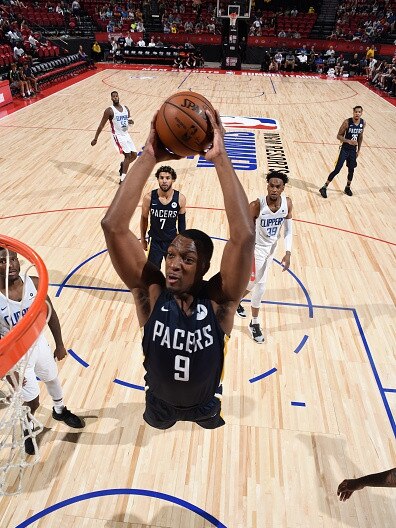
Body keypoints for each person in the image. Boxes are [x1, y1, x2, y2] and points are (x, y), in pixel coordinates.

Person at [101, 109, 254, 430]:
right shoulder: (152, 295)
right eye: (171, 254)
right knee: (157, 426)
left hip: (205, 404)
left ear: (204, 268)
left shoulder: (220, 302)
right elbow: (113, 226)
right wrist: (147, 157)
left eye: (186, 258)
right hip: (158, 403)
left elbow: (244, 235)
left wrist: (221, 158)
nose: (173, 264)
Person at [0, 248, 85, 455]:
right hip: (15, 355)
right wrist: (6, 370)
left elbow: (51, 312)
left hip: (38, 343)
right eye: (3, 261)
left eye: (14, 259)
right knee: (32, 399)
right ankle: (28, 428)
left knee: (53, 379)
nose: (11, 264)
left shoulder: (35, 283)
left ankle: (59, 410)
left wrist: (60, 343)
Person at [236, 171, 293, 343]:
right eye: (271, 186)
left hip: (271, 249)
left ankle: (233, 303)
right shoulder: (256, 205)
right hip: (256, 249)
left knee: (256, 284)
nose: (274, 189)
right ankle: (253, 323)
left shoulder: (287, 204)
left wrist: (288, 252)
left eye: (278, 186)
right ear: (267, 186)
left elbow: (288, 230)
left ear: (283, 189)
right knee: (258, 285)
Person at [140, 165, 186, 269]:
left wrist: (183, 242)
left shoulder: (180, 198)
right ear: (158, 179)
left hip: (172, 242)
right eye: (161, 178)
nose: (164, 181)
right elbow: (144, 218)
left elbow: (182, 224)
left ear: (173, 180)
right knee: (152, 272)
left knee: (173, 271)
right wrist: (143, 239)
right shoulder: (149, 198)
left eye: (167, 178)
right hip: (155, 241)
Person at [91, 91, 137, 183]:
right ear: (111, 98)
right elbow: (101, 125)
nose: (115, 98)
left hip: (126, 134)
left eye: (116, 96)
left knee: (134, 155)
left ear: (118, 97)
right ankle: (122, 180)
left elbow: (130, 121)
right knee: (127, 155)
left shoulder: (125, 108)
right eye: (113, 97)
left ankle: (123, 165)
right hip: (117, 135)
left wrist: (131, 122)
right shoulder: (109, 110)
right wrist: (95, 138)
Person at [319, 106, 365, 198]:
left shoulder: (363, 123)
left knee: (351, 170)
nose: (357, 114)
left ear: (361, 113)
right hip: (345, 149)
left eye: (359, 112)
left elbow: (360, 137)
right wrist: (348, 141)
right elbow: (338, 136)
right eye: (356, 112)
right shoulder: (347, 122)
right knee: (337, 169)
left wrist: (358, 150)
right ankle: (324, 187)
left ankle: (347, 187)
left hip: (353, 150)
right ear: (353, 112)